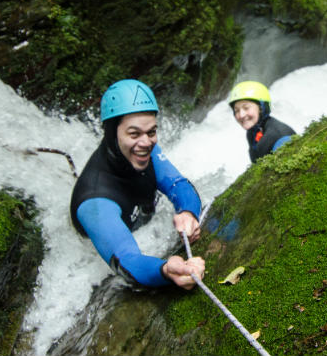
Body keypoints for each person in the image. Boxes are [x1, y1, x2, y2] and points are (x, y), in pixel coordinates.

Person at [70, 79, 204, 290]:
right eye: (134, 134)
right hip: (102, 238)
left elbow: (179, 185)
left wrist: (188, 213)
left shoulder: (147, 150)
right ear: (112, 133)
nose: (146, 143)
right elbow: (127, 261)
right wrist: (166, 270)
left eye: (151, 132)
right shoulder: (94, 202)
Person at [228, 80, 296, 162]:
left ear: (261, 108)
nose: (241, 115)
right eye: (237, 110)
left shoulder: (281, 137)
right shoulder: (252, 132)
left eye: (246, 108)